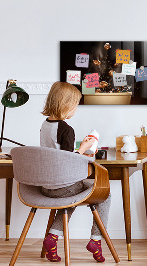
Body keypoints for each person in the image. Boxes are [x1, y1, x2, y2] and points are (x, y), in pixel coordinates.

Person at [40, 81, 110, 263]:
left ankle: (52, 238)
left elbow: (57, 154)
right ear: (67, 105)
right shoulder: (66, 129)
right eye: (76, 105)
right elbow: (67, 161)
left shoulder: (45, 125)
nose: (76, 109)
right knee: (105, 194)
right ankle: (96, 240)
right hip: (63, 186)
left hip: (46, 186)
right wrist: (84, 149)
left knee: (70, 198)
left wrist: (79, 149)